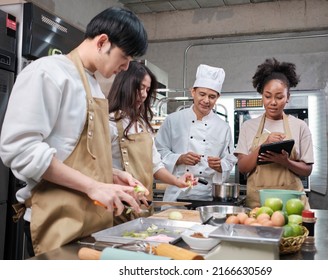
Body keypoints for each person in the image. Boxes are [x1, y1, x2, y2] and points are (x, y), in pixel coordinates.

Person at [0, 7, 149, 256]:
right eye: (125, 57)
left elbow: (68, 151)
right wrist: (93, 186)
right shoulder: (48, 72)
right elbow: (20, 150)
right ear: (102, 42)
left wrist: (109, 174)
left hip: (91, 222)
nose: (125, 67)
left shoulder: (94, 86)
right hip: (57, 221)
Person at [108, 61, 197, 219]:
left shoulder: (142, 125)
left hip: (143, 205)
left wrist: (177, 182)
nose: (143, 94)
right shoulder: (109, 122)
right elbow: (97, 168)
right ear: (125, 84)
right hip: (117, 206)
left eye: (147, 90)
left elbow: (155, 166)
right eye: (140, 87)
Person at [234, 58, 314, 209]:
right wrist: (263, 146)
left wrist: (285, 162)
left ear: (288, 97)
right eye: (267, 96)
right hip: (259, 203)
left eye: (279, 97)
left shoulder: (300, 126)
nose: (273, 102)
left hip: (292, 202)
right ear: (261, 95)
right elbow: (243, 168)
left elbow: (307, 170)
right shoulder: (248, 126)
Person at [155, 64, 237, 202]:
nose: (206, 101)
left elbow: (230, 159)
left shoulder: (223, 127)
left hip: (208, 195)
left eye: (212, 96)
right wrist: (179, 158)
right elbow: (158, 152)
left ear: (217, 98)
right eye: (202, 94)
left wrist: (220, 165)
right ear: (193, 92)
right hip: (176, 193)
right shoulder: (173, 120)